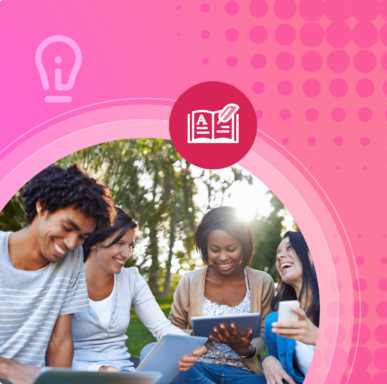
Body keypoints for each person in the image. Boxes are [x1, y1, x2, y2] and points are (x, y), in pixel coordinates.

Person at [0, 164, 115, 384]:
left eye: (82, 236)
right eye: (67, 226)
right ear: (42, 206)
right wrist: (7, 368)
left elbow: (59, 340)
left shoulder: (70, 259)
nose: (72, 243)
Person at [70, 208, 206, 372]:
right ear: (94, 242)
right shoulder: (68, 281)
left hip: (123, 372)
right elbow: (53, 348)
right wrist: (99, 370)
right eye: (120, 243)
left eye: (131, 245)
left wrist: (193, 345)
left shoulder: (131, 279)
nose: (127, 254)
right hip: (76, 372)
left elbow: (161, 327)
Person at [170, 207, 274, 384]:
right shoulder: (189, 281)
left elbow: (265, 334)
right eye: (215, 249)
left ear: (243, 246)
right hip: (199, 368)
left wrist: (246, 349)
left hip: (244, 373)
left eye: (231, 248)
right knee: (167, 363)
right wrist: (196, 337)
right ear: (205, 247)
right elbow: (172, 330)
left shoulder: (262, 282)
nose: (223, 257)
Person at [261, 232, 319, 384]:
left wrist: (318, 338)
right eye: (278, 253)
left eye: (289, 248)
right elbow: (276, 363)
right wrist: (268, 361)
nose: (280, 256)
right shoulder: (274, 322)